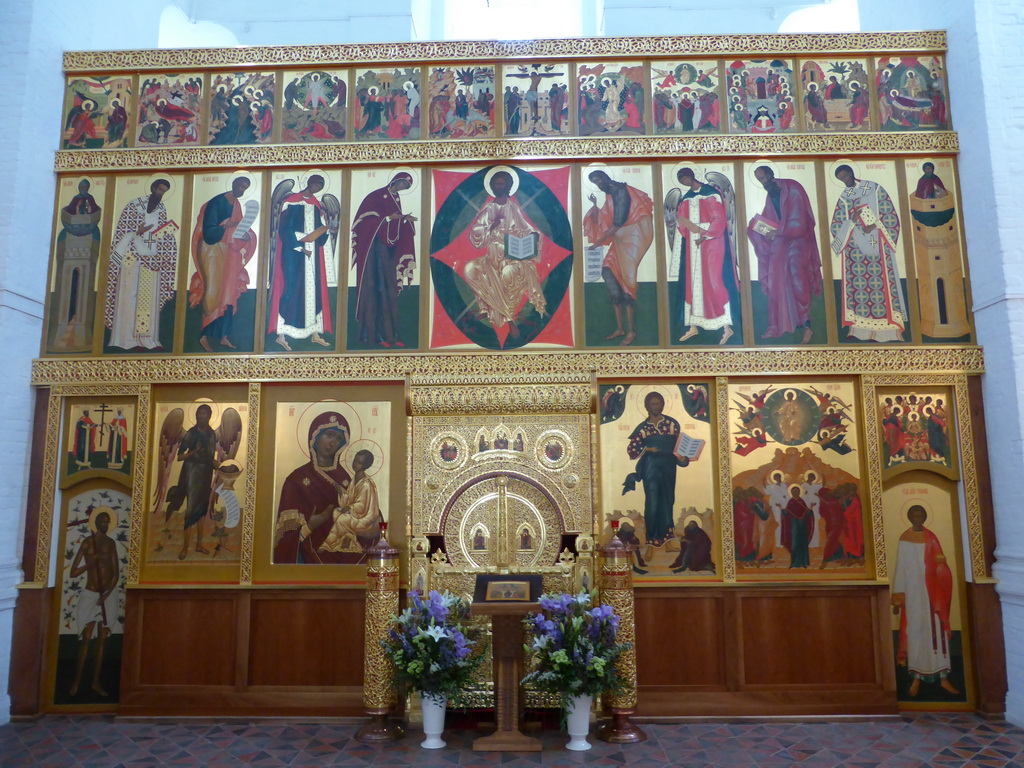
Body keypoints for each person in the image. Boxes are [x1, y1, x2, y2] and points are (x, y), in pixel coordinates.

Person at [464, 170, 546, 338]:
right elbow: (476, 232)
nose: (499, 186)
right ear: (493, 186)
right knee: (470, 269)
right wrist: (491, 228)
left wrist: (533, 235)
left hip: (512, 254)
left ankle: (504, 317)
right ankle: (492, 311)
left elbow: (526, 227)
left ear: (508, 186)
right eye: (497, 184)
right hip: (492, 254)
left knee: (507, 274)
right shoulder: (489, 208)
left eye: (502, 184)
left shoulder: (512, 207)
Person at [829, 165, 907, 342]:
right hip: (855, 252)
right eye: (841, 179)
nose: (845, 181)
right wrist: (851, 221)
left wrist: (877, 226)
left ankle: (888, 331)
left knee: (882, 286)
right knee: (859, 291)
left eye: (845, 177)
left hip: (879, 246)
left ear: (851, 173)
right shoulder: (844, 197)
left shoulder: (874, 188)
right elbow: (836, 225)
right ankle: (861, 330)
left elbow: (890, 215)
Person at [747, 166, 823, 343]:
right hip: (781, 241)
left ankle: (807, 326)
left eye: (764, 178)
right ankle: (776, 326)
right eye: (759, 180)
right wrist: (756, 227)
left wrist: (778, 232)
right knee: (775, 280)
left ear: (770, 174)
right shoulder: (770, 195)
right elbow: (770, 220)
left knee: (798, 279)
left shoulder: (792, 188)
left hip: (799, 241)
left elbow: (799, 222)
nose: (763, 182)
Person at [891, 504, 959, 697]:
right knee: (915, 631)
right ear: (910, 517)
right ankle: (916, 679)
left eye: (920, 515)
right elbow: (901, 569)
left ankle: (943, 678)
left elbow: (943, 569)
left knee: (937, 632)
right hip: (913, 594)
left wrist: (940, 567)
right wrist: (898, 598)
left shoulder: (932, 538)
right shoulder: (904, 539)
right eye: (914, 515)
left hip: (933, 594)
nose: (917, 518)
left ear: (925, 516)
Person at [582, 170, 654, 345]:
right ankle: (620, 328)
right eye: (595, 182)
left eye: (599, 180)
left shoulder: (620, 192)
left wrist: (597, 244)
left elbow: (617, 223)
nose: (599, 184)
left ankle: (631, 331)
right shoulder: (609, 195)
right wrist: (594, 207)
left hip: (633, 238)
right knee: (608, 272)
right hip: (620, 239)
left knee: (627, 283)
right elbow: (606, 218)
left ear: (606, 178)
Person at [107, 178, 178, 350]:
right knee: (129, 297)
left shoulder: (161, 208)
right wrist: (137, 232)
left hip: (151, 259)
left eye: (164, 192)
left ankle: (145, 339)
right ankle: (125, 339)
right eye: (160, 190)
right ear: (153, 188)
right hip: (131, 256)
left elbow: (160, 232)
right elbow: (122, 229)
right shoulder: (134, 205)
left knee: (146, 300)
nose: (161, 194)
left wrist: (167, 236)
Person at [189, 177, 258, 352]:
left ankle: (223, 336)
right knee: (213, 290)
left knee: (228, 291)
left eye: (245, 188)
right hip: (212, 250)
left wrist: (243, 235)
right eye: (240, 186)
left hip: (229, 252)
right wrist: (228, 225)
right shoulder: (216, 202)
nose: (241, 190)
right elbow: (209, 232)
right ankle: (203, 336)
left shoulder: (237, 205)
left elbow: (238, 230)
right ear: (233, 184)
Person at [273, 411, 352, 564]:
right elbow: (286, 539)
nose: (333, 442)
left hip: (344, 551)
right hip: (309, 554)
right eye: (329, 435)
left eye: (339, 438)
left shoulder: (345, 479)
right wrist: (310, 526)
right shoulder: (296, 480)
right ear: (314, 437)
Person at [350, 172, 417, 347]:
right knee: (373, 292)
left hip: (387, 254)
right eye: (403, 185)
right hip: (373, 254)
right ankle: (374, 336)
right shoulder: (376, 195)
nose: (403, 189)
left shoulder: (396, 199)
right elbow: (363, 221)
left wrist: (404, 220)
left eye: (406, 188)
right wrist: (388, 218)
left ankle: (391, 335)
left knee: (388, 293)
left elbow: (393, 228)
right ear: (396, 181)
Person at [268, 174, 332, 350]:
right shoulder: (291, 201)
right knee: (291, 288)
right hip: (293, 254)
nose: (317, 188)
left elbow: (319, 234)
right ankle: (282, 334)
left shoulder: (317, 205)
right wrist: (299, 247)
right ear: (309, 183)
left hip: (312, 257)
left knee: (313, 291)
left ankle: (314, 333)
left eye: (321, 186)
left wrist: (326, 227)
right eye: (316, 184)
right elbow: (284, 228)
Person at [674, 167, 735, 345]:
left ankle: (726, 327)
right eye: (681, 181)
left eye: (685, 179)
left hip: (711, 241)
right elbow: (682, 219)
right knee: (693, 284)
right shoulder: (686, 198)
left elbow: (719, 219)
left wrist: (705, 235)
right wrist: (679, 223)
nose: (685, 182)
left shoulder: (710, 193)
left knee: (712, 280)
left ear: (691, 176)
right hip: (693, 244)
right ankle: (694, 326)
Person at [623, 391, 690, 546]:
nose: (656, 407)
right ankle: (652, 536)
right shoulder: (643, 428)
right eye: (652, 404)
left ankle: (667, 534)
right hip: (651, 467)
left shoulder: (672, 424)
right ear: (647, 406)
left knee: (668, 499)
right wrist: (647, 449)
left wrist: (681, 458)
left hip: (668, 466)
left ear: (662, 405)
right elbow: (632, 449)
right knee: (652, 500)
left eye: (658, 403)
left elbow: (681, 448)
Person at [68, 508, 120, 697]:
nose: (105, 524)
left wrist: (106, 595)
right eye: (102, 521)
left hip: (107, 595)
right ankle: (76, 681)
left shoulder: (111, 543)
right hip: (90, 594)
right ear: (96, 523)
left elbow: (116, 573)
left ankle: (96, 682)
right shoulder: (88, 543)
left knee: (102, 642)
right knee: (87, 639)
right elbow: (73, 572)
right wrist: (92, 562)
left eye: (108, 521)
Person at [169, 403, 218, 560]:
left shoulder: (211, 434)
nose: (200, 416)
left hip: (205, 474)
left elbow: (211, 458)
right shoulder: (191, 433)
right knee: (191, 509)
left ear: (209, 416)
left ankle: (198, 545)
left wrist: (223, 467)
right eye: (198, 413)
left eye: (204, 413)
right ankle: (185, 547)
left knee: (202, 509)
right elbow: (180, 456)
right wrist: (194, 451)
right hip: (191, 473)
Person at [318, 449, 384, 558]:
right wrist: (340, 491)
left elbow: (362, 505)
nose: (355, 464)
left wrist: (349, 507)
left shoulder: (367, 484)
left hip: (367, 520)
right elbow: (349, 499)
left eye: (359, 462)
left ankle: (327, 545)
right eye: (355, 460)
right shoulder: (355, 479)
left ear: (365, 465)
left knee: (342, 519)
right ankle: (347, 541)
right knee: (335, 512)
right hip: (357, 514)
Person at [781, 485, 814, 568]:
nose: (795, 493)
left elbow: (806, 513)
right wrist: (782, 510)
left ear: (799, 492)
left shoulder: (801, 501)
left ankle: (803, 563)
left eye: (797, 491)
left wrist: (810, 510)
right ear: (791, 493)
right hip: (794, 526)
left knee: (802, 543)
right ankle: (793, 563)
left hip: (802, 525)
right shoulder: (791, 502)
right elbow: (787, 513)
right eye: (794, 492)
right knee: (794, 544)